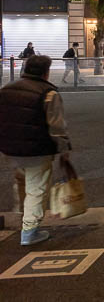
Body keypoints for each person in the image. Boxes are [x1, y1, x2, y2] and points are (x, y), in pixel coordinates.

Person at [0, 55, 71, 246]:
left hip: (11, 148)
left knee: (21, 181)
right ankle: (29, 230)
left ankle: (23, 216)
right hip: (36, 149)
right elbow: (57, 127)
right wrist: (64, 149)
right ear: (46, 72)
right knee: (36, 188)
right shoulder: (48, 93)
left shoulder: (7, 89)